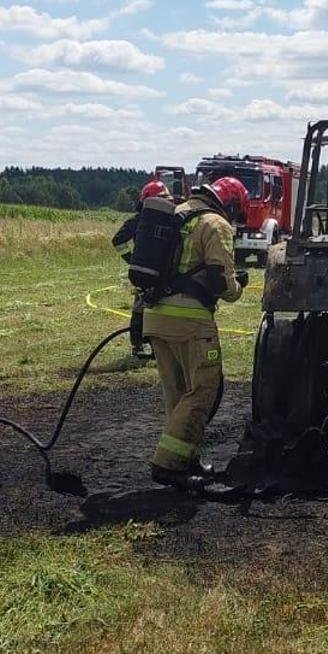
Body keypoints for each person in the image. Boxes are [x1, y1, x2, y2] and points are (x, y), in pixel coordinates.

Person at [144, 176, 251, 491]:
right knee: (204, 390)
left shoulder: (175, 213)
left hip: (155, 316)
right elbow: (222, 284)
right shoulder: (215, 224)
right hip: (189, 320)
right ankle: (166, 464)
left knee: (178, 393)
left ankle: (185, 458)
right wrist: (238, 287)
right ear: (230, 204)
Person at [114, 180, 173, 358]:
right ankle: (151, 346)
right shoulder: (170, 218)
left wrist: (132, 260)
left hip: (142, 271)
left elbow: (118, 240)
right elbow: (118, 241)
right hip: (160, 271)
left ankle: (140, 345)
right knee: (157, 308)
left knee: (141, 308)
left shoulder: (137, 220)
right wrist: (132, 260)